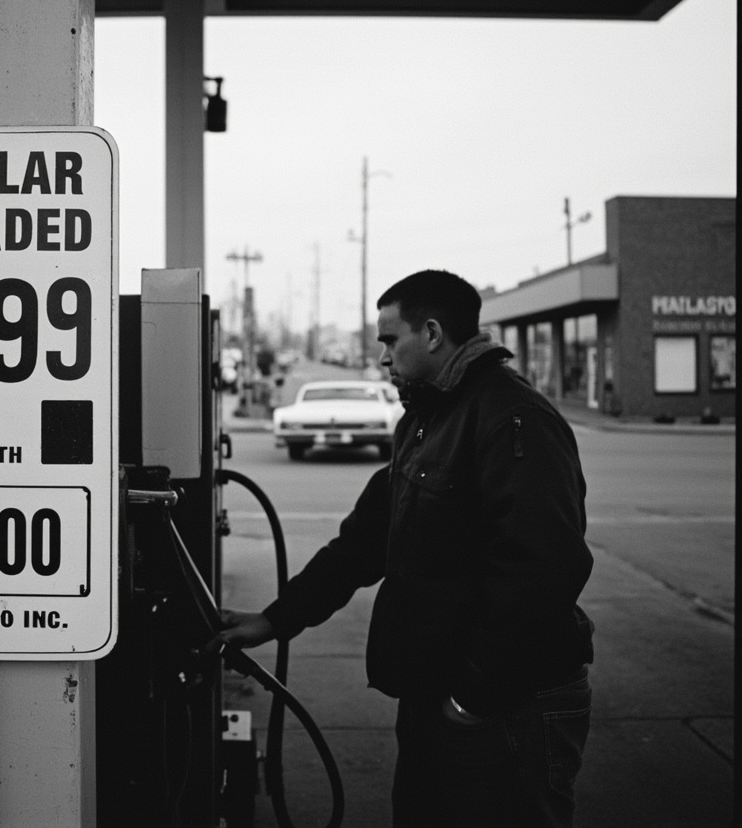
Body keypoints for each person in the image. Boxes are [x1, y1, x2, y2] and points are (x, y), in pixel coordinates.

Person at [217, 269, 594, 827]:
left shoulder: (512, 418)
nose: (383, 357)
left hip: (508, 702)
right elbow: (365, 541)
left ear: (434, 334)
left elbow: (544, 571)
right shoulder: (427, 419)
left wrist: (473, 696)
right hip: (442, 693)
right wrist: (275, 620)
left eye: (391, 340)